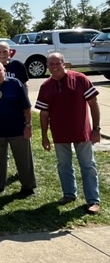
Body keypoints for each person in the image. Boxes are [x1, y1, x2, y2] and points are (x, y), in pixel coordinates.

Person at [36, 53, 101, 214]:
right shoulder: (46, 86)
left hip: (82, 132)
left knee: (88, 165)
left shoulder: (80, 79)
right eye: (51, 64)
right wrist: (44, 136)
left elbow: (93, 104)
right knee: (64, 165)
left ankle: (93, 200)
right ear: (47, 66)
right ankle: (69, 194)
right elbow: (44, 114)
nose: (54, 67)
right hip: (59, 134)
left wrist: (96, 129)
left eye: (57, 63)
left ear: (64, 63)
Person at [0, 61, 36, 196]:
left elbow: (26, 107)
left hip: (17, 128)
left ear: (4, 71)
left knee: (24, 159)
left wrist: (28, 125)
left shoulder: (15, 83)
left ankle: (28, 186)